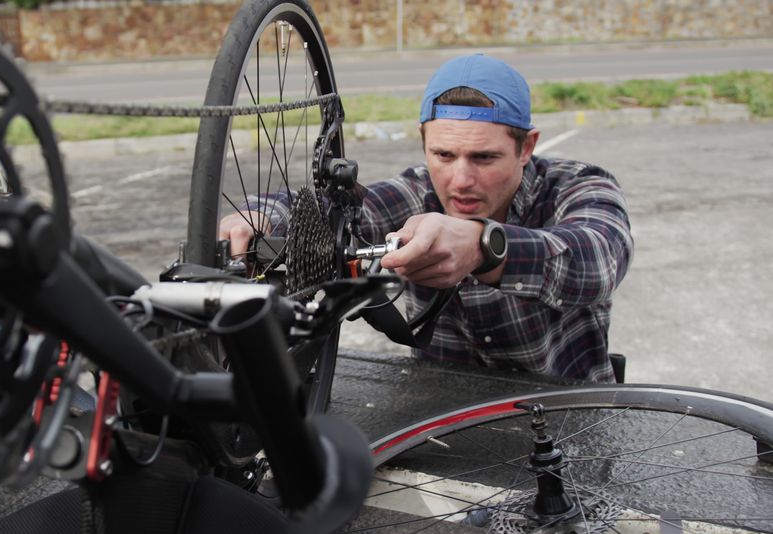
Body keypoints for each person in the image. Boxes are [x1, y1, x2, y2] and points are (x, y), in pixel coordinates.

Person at [220, 54, 634, 383]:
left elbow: (599, 258)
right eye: (443, 155)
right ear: (423, 142)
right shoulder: (417, 192)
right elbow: (340, 210)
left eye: (484, 157)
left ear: (526, 147)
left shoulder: (578, 185)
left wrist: (481, 246)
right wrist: (262, 216)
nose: (460, 180)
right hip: (439, 413)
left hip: (570, 415)